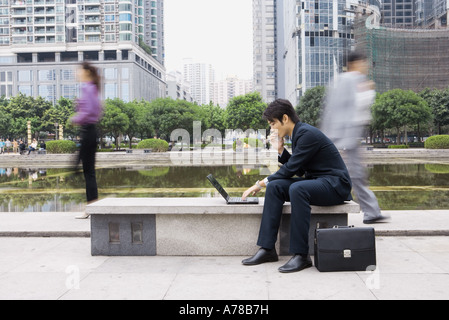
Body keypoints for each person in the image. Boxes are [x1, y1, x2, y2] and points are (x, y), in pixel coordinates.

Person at [241, 99, 353, 273]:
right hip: (318, 181)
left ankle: (301, 255)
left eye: (273, 123)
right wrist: (280, 150)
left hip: (335, 185)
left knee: (296, 188)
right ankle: (267, 249)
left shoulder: (306, 134)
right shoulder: (298, 134)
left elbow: (290, 170)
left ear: (285, 118)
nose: (272, 129)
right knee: (275, 187)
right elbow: (299, 170)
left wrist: (259, 184)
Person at [320, 50, 390, 225]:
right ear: (354, 64)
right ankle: (369, 212)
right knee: (353, 175)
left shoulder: (351, 80)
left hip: (347, 137)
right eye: (363, 63)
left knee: (356, 175)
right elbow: (343, 108)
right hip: (343, 137)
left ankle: (371, 212)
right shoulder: (348, 80)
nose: (365, 66)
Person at [70, 61, 103, 219]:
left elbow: (90, 111)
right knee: (88, 173)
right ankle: (92, 206)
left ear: (86, 73)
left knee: (87, 172)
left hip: (88, 131)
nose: (77, 73)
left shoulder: (87, 87)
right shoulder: (93, 88)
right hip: (91, 131)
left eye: (78, 71)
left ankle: (91, 207)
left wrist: (76, 118)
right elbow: (97, 110)